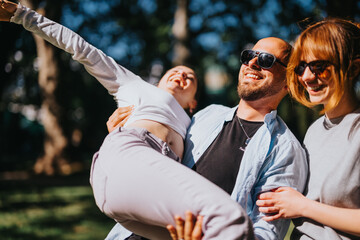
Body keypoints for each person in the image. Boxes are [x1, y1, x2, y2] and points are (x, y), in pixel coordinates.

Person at [1, 1, 257, 239]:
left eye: (190, 77)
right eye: (175, 71)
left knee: (200, 233)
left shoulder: (196, 123)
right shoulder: (134, 86)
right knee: (231, 220)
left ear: (192, 104)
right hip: (130, 153)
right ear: (157, 82)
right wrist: (23, 15)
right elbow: (82, 49)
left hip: (140, 190)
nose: (181, 74)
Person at [106, 36, 309, 240]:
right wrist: (125, 135)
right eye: (248, 56)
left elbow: (265, 233)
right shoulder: (207, 114)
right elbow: (159, 152)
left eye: (266, 60)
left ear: (289, 82)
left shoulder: (285, 149)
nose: (252, 63)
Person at [256, 18, 360, 239]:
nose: (306, 77)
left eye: (319, 67)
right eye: (302, 66)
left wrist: (302, 206)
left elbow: (301, 205)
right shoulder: (314, 130)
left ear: (354, 68)